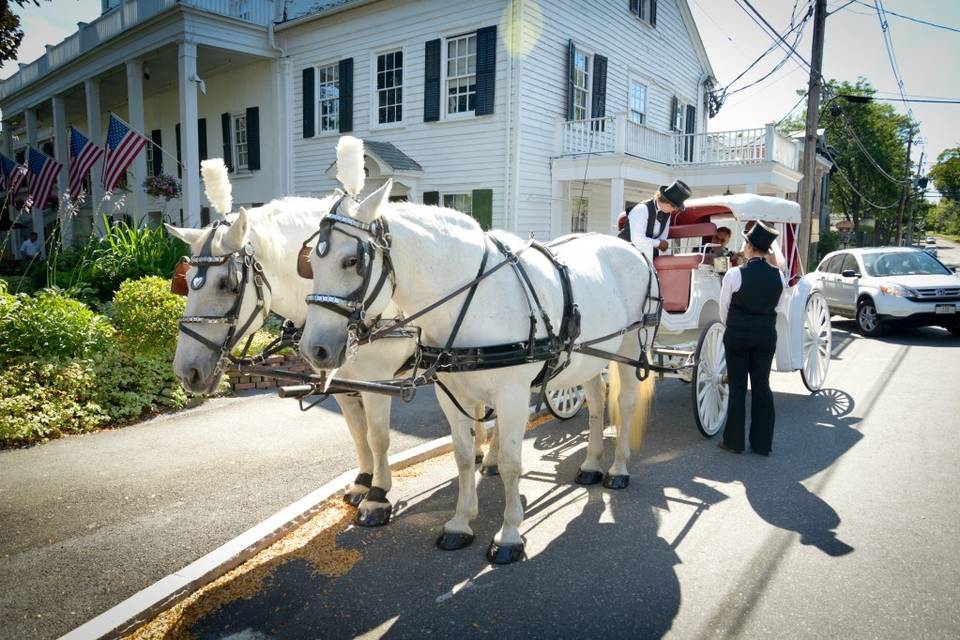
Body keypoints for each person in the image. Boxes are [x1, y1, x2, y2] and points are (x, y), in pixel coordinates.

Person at [717, 221, 785, 456]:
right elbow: (778, 306)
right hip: (765, 335)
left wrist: (735, 326)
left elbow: (723, 310)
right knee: (762, 386)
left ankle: (734, 442)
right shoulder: (779, 276)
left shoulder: (735, 274)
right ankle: (762, 443)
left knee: (737, 387)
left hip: (737, 334)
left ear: (749, 247)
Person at [618, 180, 692, 259]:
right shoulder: (642, 209)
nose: (674, 210)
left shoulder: (667, 214)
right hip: (624, 254)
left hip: (645, 256)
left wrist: (661, 246)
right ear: (668, 204)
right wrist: (658, 244)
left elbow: (663, 238)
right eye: (675, 207)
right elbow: (637, 239)